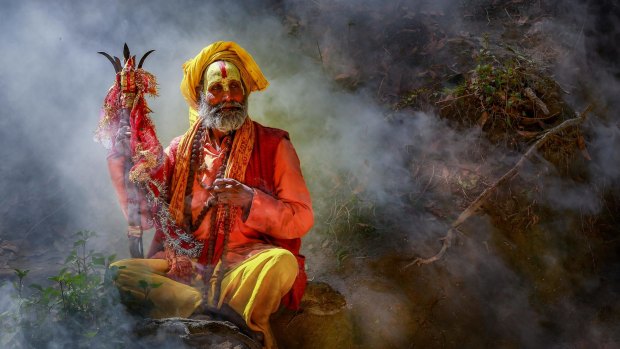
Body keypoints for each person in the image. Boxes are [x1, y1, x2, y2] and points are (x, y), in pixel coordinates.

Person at [106, 41, 314, 349]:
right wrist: (125, 158)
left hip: (243, 267)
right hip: (184, 268)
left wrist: (251, 200)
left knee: (281, 262)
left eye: (235, 87)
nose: (228, 96)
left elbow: (302, 218)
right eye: (216, 89)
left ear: (245, 92)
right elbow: (147, 216)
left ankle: (216, 315)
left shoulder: (274, 145)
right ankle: (205, 312)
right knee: (118, 273)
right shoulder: (178, 151)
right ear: (201, 96)